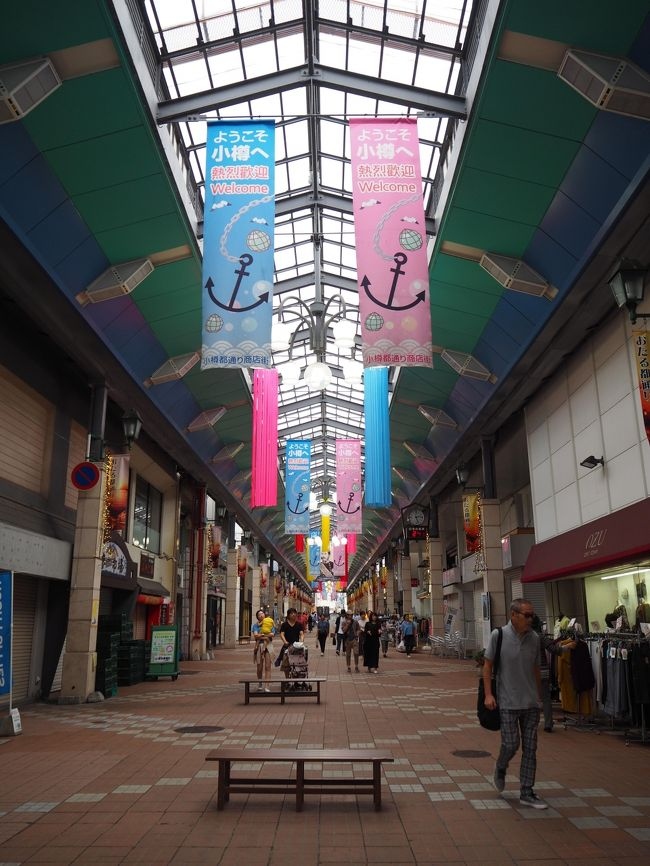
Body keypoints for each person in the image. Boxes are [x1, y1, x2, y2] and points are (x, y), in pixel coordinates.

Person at [483, 598, 547, 809]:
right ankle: (501, 765)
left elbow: (536, 669)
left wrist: (539, 697)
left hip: (530, 703)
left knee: (531, 748)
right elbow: (487, 666)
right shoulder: (499, 635)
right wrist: (488, 695)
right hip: (507, 701)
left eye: (532, 615)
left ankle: (527, 791)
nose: (530, 619)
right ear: (513, 615)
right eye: (526, 615)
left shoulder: (534, 639)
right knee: (511, 744)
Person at [532, 615, 575, 732]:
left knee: (532, 698)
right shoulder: (540, 637)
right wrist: (567, 646)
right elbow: (554, 650)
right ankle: (548, 723)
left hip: (529, 672)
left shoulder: (524, 637)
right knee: (546, 698)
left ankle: (533, 722)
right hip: (543, 671)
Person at [251, 608, 275, 692]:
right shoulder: (255, 625)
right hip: (259, 646)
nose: (261, 615)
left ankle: (267, 685)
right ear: (257, 617)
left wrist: (261, 635)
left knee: (268, 666)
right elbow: (255, 636)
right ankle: (260, 682)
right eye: (259, 614)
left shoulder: (269, 623)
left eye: (262, 613)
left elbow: (272, 634)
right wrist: (265, 636)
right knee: (259, 667)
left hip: (268, 645)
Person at [276, 608, 304, 674]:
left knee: (298, 662)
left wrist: (302, 641)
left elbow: (301, 633)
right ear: (288, 615)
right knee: (286, 663)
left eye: (294, 613)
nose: (293, 614)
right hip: (287, 645)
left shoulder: (299, 624)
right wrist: (285, 641)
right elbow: (282, 634)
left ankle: (296, 676)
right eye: (291, 613)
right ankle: (287, 678)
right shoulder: (284, 625)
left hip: (296, 646)